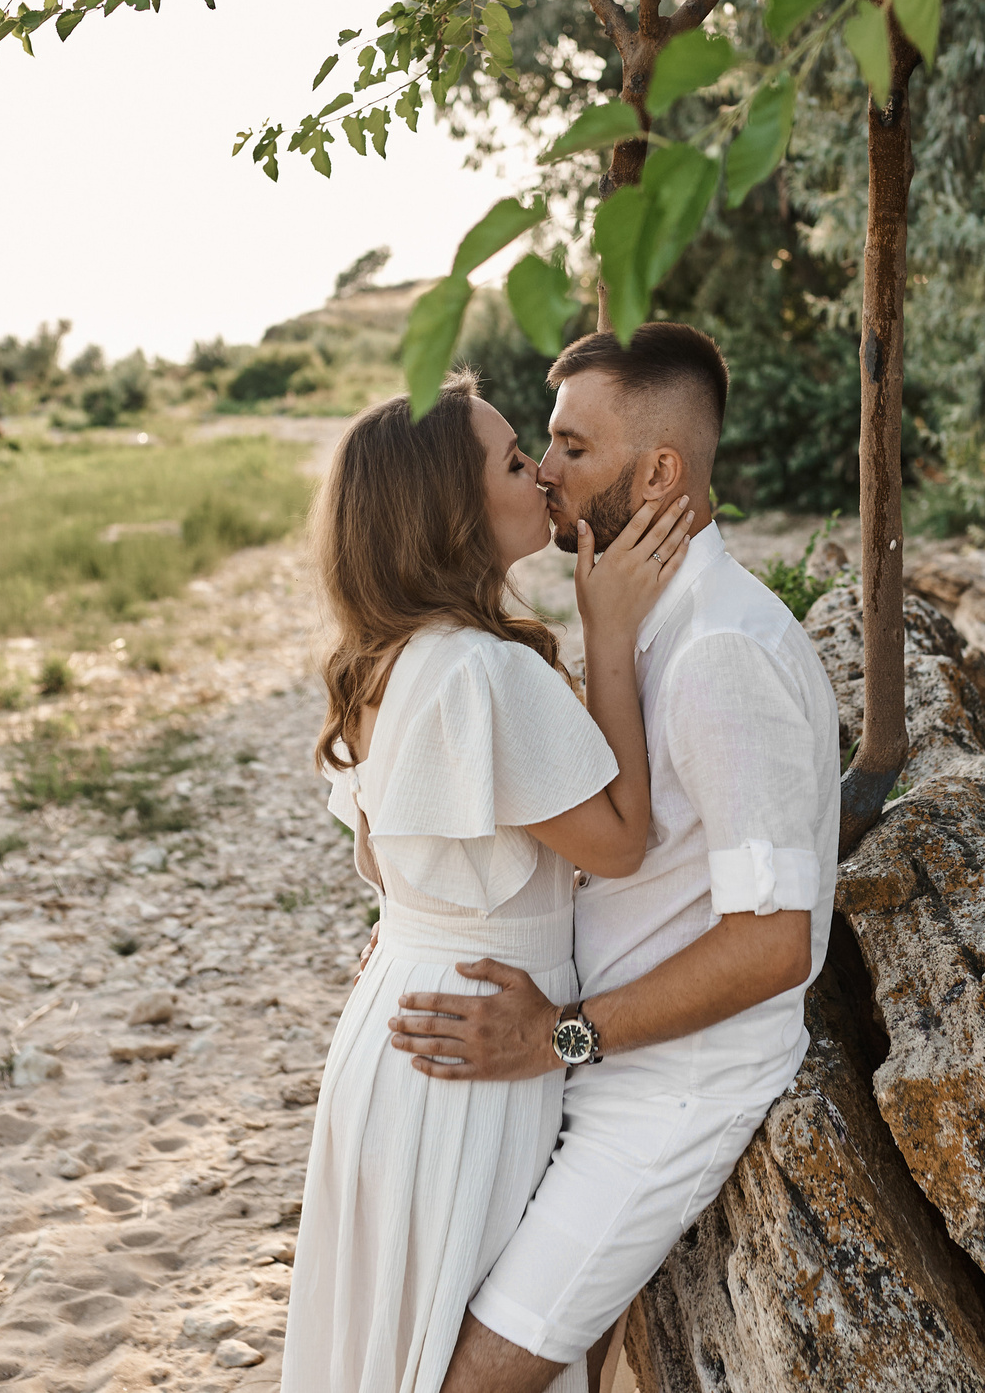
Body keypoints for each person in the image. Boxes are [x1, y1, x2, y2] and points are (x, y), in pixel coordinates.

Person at [387, 323, 842, 1393]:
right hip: (604, 1068)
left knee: (471, 1379)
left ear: (660, 470)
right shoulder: (646, 624)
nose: (545, 470)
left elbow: (776, 945)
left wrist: (561, 1034)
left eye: (571, 446)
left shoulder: (721, 651)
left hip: (669, 1089)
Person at [283, 370, 694, 1393]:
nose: (544, 473)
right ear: (452, 510)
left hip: (399, 1022)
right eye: (516, 460)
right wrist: (608, 631)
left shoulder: (394, 656)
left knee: (394, 1331)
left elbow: (395, 862)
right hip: (472, 1046)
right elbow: (621, 838)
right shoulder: (483, 672)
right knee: (457, 1337)